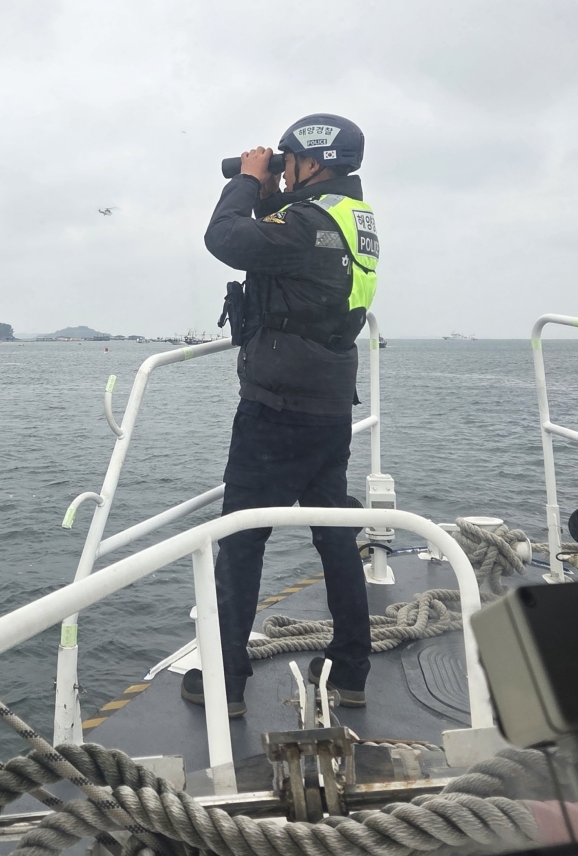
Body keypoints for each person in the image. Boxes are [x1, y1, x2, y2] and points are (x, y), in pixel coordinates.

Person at [181, 114, 380, 717]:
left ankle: (226, 681)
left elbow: (225, 238)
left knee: (241, 540)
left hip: (276, 407)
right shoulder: (350, 218)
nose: (282, 167)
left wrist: (245, 181)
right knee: (335, 532)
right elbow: (293, 256)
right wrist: (273, 192)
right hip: (328, 402)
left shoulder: (305, 224)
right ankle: (350, 670)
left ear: (313, 162)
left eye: (288, 159)